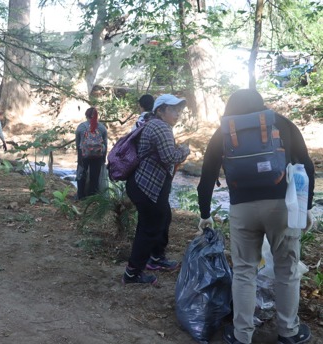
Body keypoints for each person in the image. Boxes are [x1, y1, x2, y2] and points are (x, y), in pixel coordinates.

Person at [197, 89, 315, 344]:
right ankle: (289, 332)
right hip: (281, 206)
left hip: (242, 208)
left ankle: (242, 336)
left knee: (243, 272)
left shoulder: (224, 131)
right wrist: (306, 208)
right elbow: (306, 165)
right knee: (287, 271)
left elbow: (206, 177)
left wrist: (205, 213)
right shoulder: (281, 123)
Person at [122, 94, 190, 284]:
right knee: (149, 229)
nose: (177, 114)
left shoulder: (153, 124)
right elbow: (169, 157)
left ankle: (146, 264)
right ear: (160, 111)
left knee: (154, 224)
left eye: (179, 110)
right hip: (147, 187)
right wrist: (185, 150)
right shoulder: (161, 127)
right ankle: (133, 273)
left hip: (144, 186)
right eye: (173, 110)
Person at [75, 107, 108, 199]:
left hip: (84, 155)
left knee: (82, 174)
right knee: (95, 177)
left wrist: (79, 158)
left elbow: (78, 144)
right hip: (98, 156)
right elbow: (105, 144)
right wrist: (104, 158)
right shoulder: (102, 127)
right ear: (96, 116)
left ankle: (81, 196)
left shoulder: (81, 127)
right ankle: (92, 197)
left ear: (86, 115)